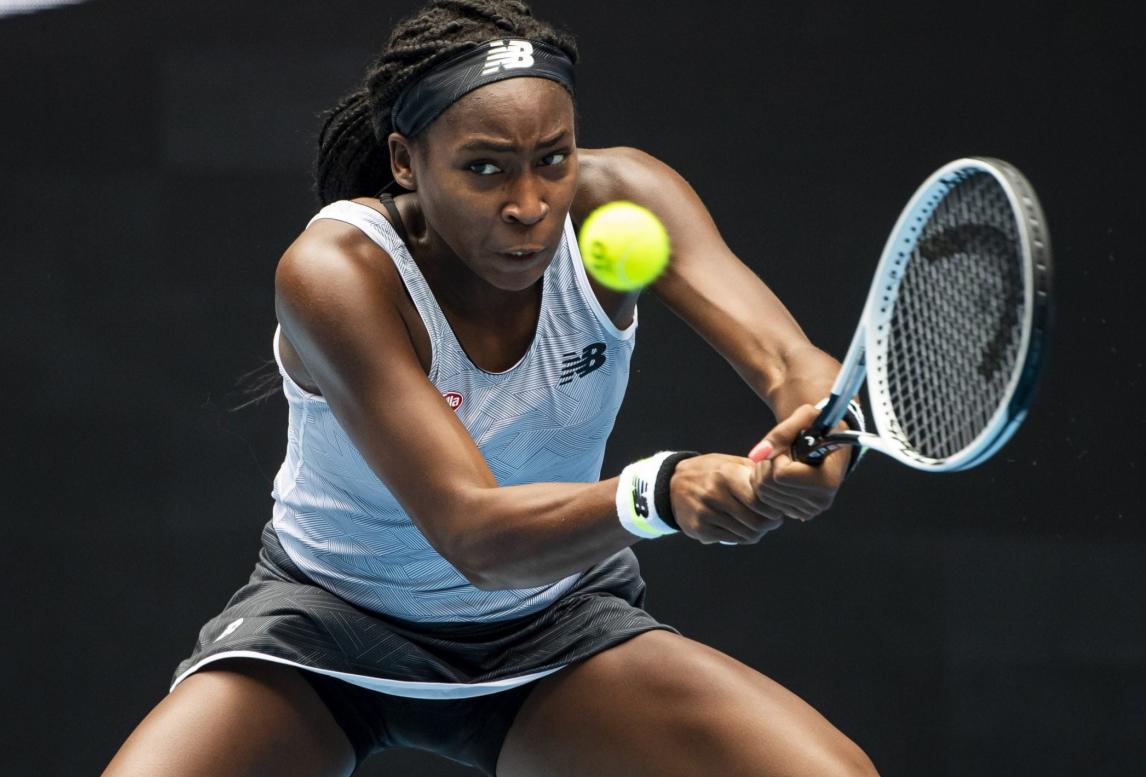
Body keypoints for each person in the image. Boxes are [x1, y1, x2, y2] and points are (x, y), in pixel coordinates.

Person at [104, 1, 879, 775]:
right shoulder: (337, 271)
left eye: (553, 158)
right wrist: (661, 490)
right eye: (485, 168)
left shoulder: (622, 202)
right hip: (324, 633)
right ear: (406, 162)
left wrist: (819, 434)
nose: (530, 206)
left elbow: (791, 363)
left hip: (553, 630)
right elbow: (474, 535)